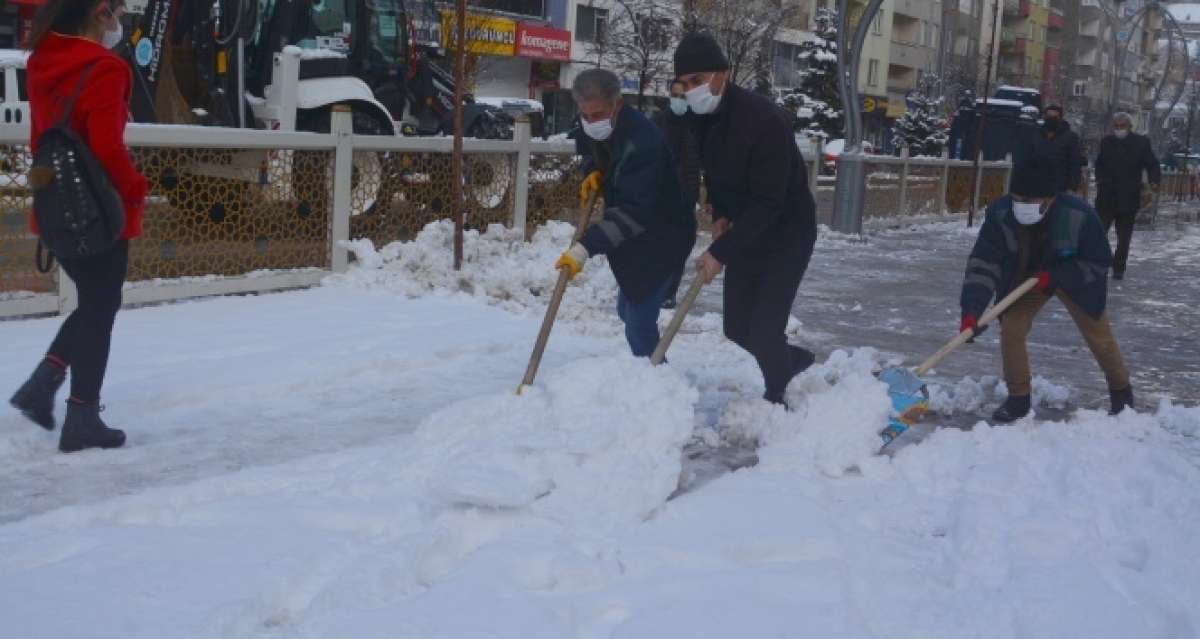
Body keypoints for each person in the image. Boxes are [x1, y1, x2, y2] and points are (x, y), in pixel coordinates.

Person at [9, 0, 148, 453]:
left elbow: (40, 137)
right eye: (117, 13)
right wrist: (135, 189)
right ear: (100, 13)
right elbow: (107, 146)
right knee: (100, 308)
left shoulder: (42, 62)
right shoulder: (105, 68)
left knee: (95, 303)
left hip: (55, 204)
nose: (119, 23)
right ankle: (81, 416)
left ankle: (43, 385)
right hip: (99, 210)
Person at [673, 32, 818, 407]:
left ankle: (777, 398)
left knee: (764, 331)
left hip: (786, 232)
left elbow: (770, 202)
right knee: (737, 329)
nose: (691, 90)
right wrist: (720, 214)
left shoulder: (764, 120)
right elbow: (716, 176)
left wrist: (721, 252)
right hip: (744, 229)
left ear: (722, 74)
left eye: (698, 80)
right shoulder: (701, 118)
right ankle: (793, 361)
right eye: (684, 83)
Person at [960, 151, 1133, 423]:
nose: (1022, 205)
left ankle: (1121, 391)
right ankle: (1018, 398)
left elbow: (1099, 262)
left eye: (1031, 201)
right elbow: (984, 263)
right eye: (1018, 199)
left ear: (1051, 198)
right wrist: (972, 311)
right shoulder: (1001, 214)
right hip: (1026, 280)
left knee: (1099, 337)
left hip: (1075, 278)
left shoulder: (1079, 216)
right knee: (1012, 329)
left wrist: (1059, 275)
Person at [554, 68, 696, 357]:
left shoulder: (645, 143)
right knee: (626, 310)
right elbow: (593, 150)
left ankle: (659, 388)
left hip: (663, 235)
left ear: (617, 104)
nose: (591, 122)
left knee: (638, 326)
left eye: (598, 114)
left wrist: (585, 248)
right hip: (633, 236)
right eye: (586, 115)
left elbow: (634, 213)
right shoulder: (595, 123)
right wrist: (592, 170)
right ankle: (651, 376)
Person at [651, 79, 702, 309]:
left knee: (682, 244)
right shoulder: (658, 123)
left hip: (687, 196)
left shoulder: (697, 124)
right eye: (675, 96)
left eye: (683, 97)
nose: (679, 101)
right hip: (660, 195)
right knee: (659, 244)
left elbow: (704, 161)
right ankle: (656, 287)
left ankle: (669, 291)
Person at [1094, 112, 1161, 280]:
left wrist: (1153, 182)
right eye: (1116, 126)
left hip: (1128, 196)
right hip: (1106, 197)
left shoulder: (1141, 143)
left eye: (1122, 126)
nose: (1119, 130)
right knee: (1098, 233)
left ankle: (1119, 267)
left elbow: (1152, 164)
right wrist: (1100, 180)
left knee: (1124, 237)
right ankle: (1099, 263)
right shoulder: (1106, 142)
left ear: (1130, 127)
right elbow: (1099, 163)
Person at [1034, 104, 1082, 194]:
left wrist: (1072, 186)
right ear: (1044, 117)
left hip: (1060, 187)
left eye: (1054, 117)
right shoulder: (1037, 134)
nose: (1051, 119)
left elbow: (1074, 163)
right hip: (1037, 186)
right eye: (1048, 116)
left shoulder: (1070, 137)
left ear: (1060, 118)